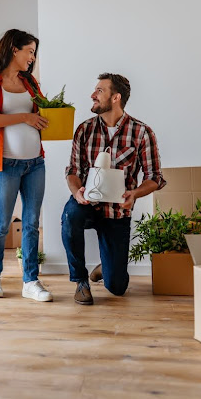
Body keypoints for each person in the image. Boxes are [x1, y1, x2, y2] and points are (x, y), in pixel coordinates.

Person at [61, 73, 166, 305]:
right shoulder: (84, 130)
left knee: (117, 288)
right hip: (87, 204)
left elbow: (155, 178)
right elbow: (73, 171)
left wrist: (135, 194)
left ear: (116, 97)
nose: (92, 95)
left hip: (117, 213)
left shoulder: (142, 132)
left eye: (100, 91)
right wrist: (76, 192)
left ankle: (106, 268)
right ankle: (81, 281)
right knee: (70, 217)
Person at [0, 29, 52, 302]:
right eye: (29, 51)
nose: (32, 57)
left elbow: (40, 111)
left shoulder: (30, 82)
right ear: (13, 50)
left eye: (33, 52)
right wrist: (24, 118)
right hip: (4, 163)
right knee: (2, 225)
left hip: (35, 163)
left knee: (31, 224)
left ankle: (31, 281)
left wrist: (50, 113)